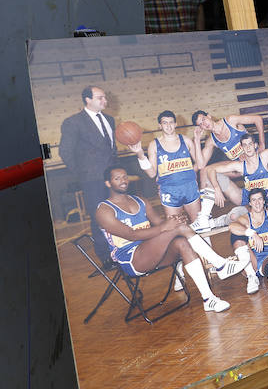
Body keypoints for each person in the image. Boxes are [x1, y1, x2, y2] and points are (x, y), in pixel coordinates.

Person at [96, 167, 245, 312]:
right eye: (117, 178)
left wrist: (175, 220)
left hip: (152, 251)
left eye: (124, 177)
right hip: (131, 259)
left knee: (182, 242)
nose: (123, 181)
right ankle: (220, 265)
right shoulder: (104, 210)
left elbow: (160, 224)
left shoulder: (139, 201)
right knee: (179, 230)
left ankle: (209, 299)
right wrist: (168, 227)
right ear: (108, 183)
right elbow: (131, 235)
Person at [128, 110, 227, 233]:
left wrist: (196, 140)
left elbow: (201, 164)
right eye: (165, 123)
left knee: (201, 225)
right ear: (160, 125)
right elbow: (152, 173)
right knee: (175, 228)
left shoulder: (186, 140)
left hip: (190, 188)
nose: (168, 126)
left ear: (175, 124)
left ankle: (205, 252)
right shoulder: (154, 145)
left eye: (171, 122)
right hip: (170, 192)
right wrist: (140, 154)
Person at [59, 86, 118, 266]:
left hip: (112, 177)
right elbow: (65, 152)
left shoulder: (109, 119)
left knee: (117, 214)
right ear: (87, 99)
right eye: (100, 97)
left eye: (105, 97)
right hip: (91, 179)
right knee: (99, 217)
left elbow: (111, 150)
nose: (105, 101)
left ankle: (121, 250)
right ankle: (105, 256)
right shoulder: (73, 122)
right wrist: (83, 174)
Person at [203, 134, 268, 209]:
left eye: (250, 144)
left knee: (236, 216)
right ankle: (204, 215)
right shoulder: (240, 166)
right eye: (245, 145)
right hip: (244, 198)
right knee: (210, 177)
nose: (248, 148)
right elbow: (210, 169)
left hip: (261, 200)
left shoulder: (264, 157)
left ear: (255, 145)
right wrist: (217, 188)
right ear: (242, 148)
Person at [229, 187, 268, 295]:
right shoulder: (246, 219)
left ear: (264, 201)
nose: (257, 203)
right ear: (250, 203)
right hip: (252, 261)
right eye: (254, 200)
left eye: (260, 199)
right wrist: (253, 233)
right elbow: (232, 226)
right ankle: (252, 277)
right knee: (236, 237)